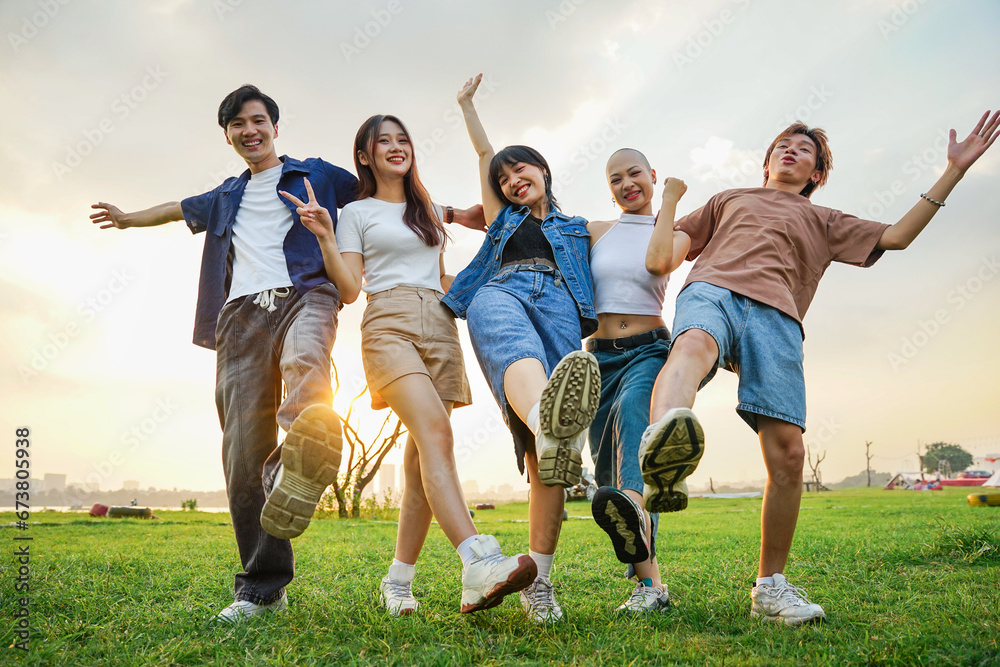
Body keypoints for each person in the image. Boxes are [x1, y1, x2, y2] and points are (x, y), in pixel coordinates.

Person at [89, 84, 485, 623]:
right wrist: (128, 217)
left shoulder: (316, 173)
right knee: (242, 449)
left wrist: (458, 213)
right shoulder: (224, 195)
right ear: (228, 136)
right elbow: (174, 208)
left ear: (275, 126)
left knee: (307, 366)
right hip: (240, 315)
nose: (249, 131)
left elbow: (380, 195)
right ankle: (260, 588)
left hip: (307, 293)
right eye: (238, 125)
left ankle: (295, 467)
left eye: (258, 120)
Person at [639, 111, 1000, 625]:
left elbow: (897, 236)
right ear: (766, 161)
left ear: (816, 174)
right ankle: (664, 449)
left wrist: (954, 171)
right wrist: (666, 202)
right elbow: (667, 254)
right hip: (711, 290)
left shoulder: (825, 219)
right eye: (783, 145)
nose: (791, 151)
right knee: (692, 344)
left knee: (788, 455)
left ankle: (770, 588)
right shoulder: (727, 199)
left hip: (778, 317)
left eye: (803, 150)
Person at [279, 114, 536, 616]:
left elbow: (475, 225)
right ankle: (477, 559)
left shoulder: (428, 210)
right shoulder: (355, 213)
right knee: (436, 432)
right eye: (384, 142)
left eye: (403, 140)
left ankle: (398, 581)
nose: (397, 148)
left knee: (422, 458)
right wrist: (326, 237)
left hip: (440, 324)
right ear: (364, 156)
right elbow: (350, 290)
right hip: (388, 324)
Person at [442, 74, 601, 623]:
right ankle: (551, 421)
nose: (511, 179)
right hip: (500, 290)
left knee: (545, 466)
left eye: (521, 169)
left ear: (544, 172)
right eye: (504, 177)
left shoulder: (578, 228)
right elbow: (486, 150)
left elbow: (637, 231)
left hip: (559, 307)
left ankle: (540, 582)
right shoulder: (500, 220)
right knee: (515, 352)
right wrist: (466, 104)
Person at [586, 149, 689, 614]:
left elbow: (657, 263)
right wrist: (446, 214)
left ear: (652, 175)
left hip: (648, 349)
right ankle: (652, 588)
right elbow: (524, 221)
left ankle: (630, 502)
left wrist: (669, 199)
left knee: (634, 432)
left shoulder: (674, 231)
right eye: (615, 179)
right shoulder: (594, 231)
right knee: (607, 467)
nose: (626, 184)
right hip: (598, 357)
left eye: (635, 175)